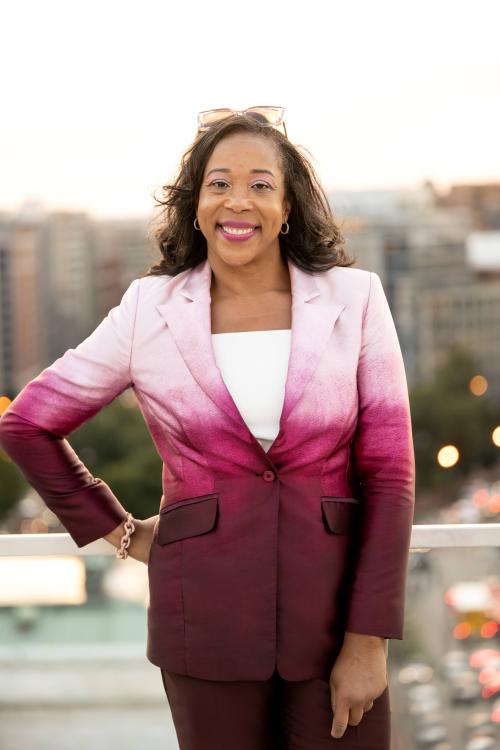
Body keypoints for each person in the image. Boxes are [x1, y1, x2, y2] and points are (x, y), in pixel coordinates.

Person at [0, 106, 415, 749]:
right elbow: (27, 424)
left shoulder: (355, 300)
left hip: (335, 617)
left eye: (259, 184)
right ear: (194, 204)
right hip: (203, 621)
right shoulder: (149, 310)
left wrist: (369, 640)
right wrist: (120, 532)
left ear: (287, 206)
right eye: (218, 183)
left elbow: (389, 476)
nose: (236, 202)